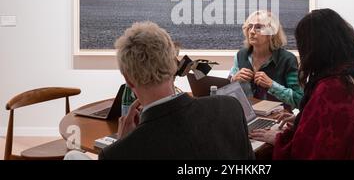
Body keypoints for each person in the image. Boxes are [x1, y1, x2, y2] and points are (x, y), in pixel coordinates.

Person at [67, 21, 254, 160]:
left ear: (128, 81)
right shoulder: (229, 107)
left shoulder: (118, 154)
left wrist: (123, 145)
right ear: (174, 65)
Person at [250, 8, 354, 159]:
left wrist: (280, 139)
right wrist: (304, 119)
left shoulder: (331, 87)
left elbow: (308, 150)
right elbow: (350, 121)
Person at [229, 10, 303, 110]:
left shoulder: (287, 59)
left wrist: (271, 85)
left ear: (271, 33)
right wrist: (234, 80)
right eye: (250, 26)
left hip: (278, 120)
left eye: (258, 27)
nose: (251, 31)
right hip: (245, 118)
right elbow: (226, 91)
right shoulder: (241, 55)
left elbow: (300, 100)